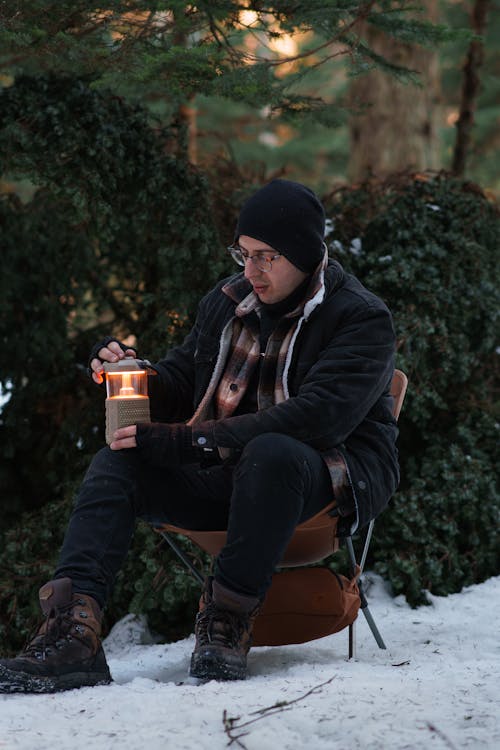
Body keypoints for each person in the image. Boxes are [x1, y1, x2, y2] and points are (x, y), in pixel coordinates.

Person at [0, 179, 399, 693]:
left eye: (266, 257)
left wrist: (192, 443)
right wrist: (132, 373)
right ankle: (70, 639)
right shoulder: (228, 301)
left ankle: (226, 622)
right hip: (230, 477)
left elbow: (319, 420)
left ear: (302, 254)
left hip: (326, 482)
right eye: (243, 254)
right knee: (117, 462)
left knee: (274, 451)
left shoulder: (359, 316)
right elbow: (185, 381)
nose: (250, 270)